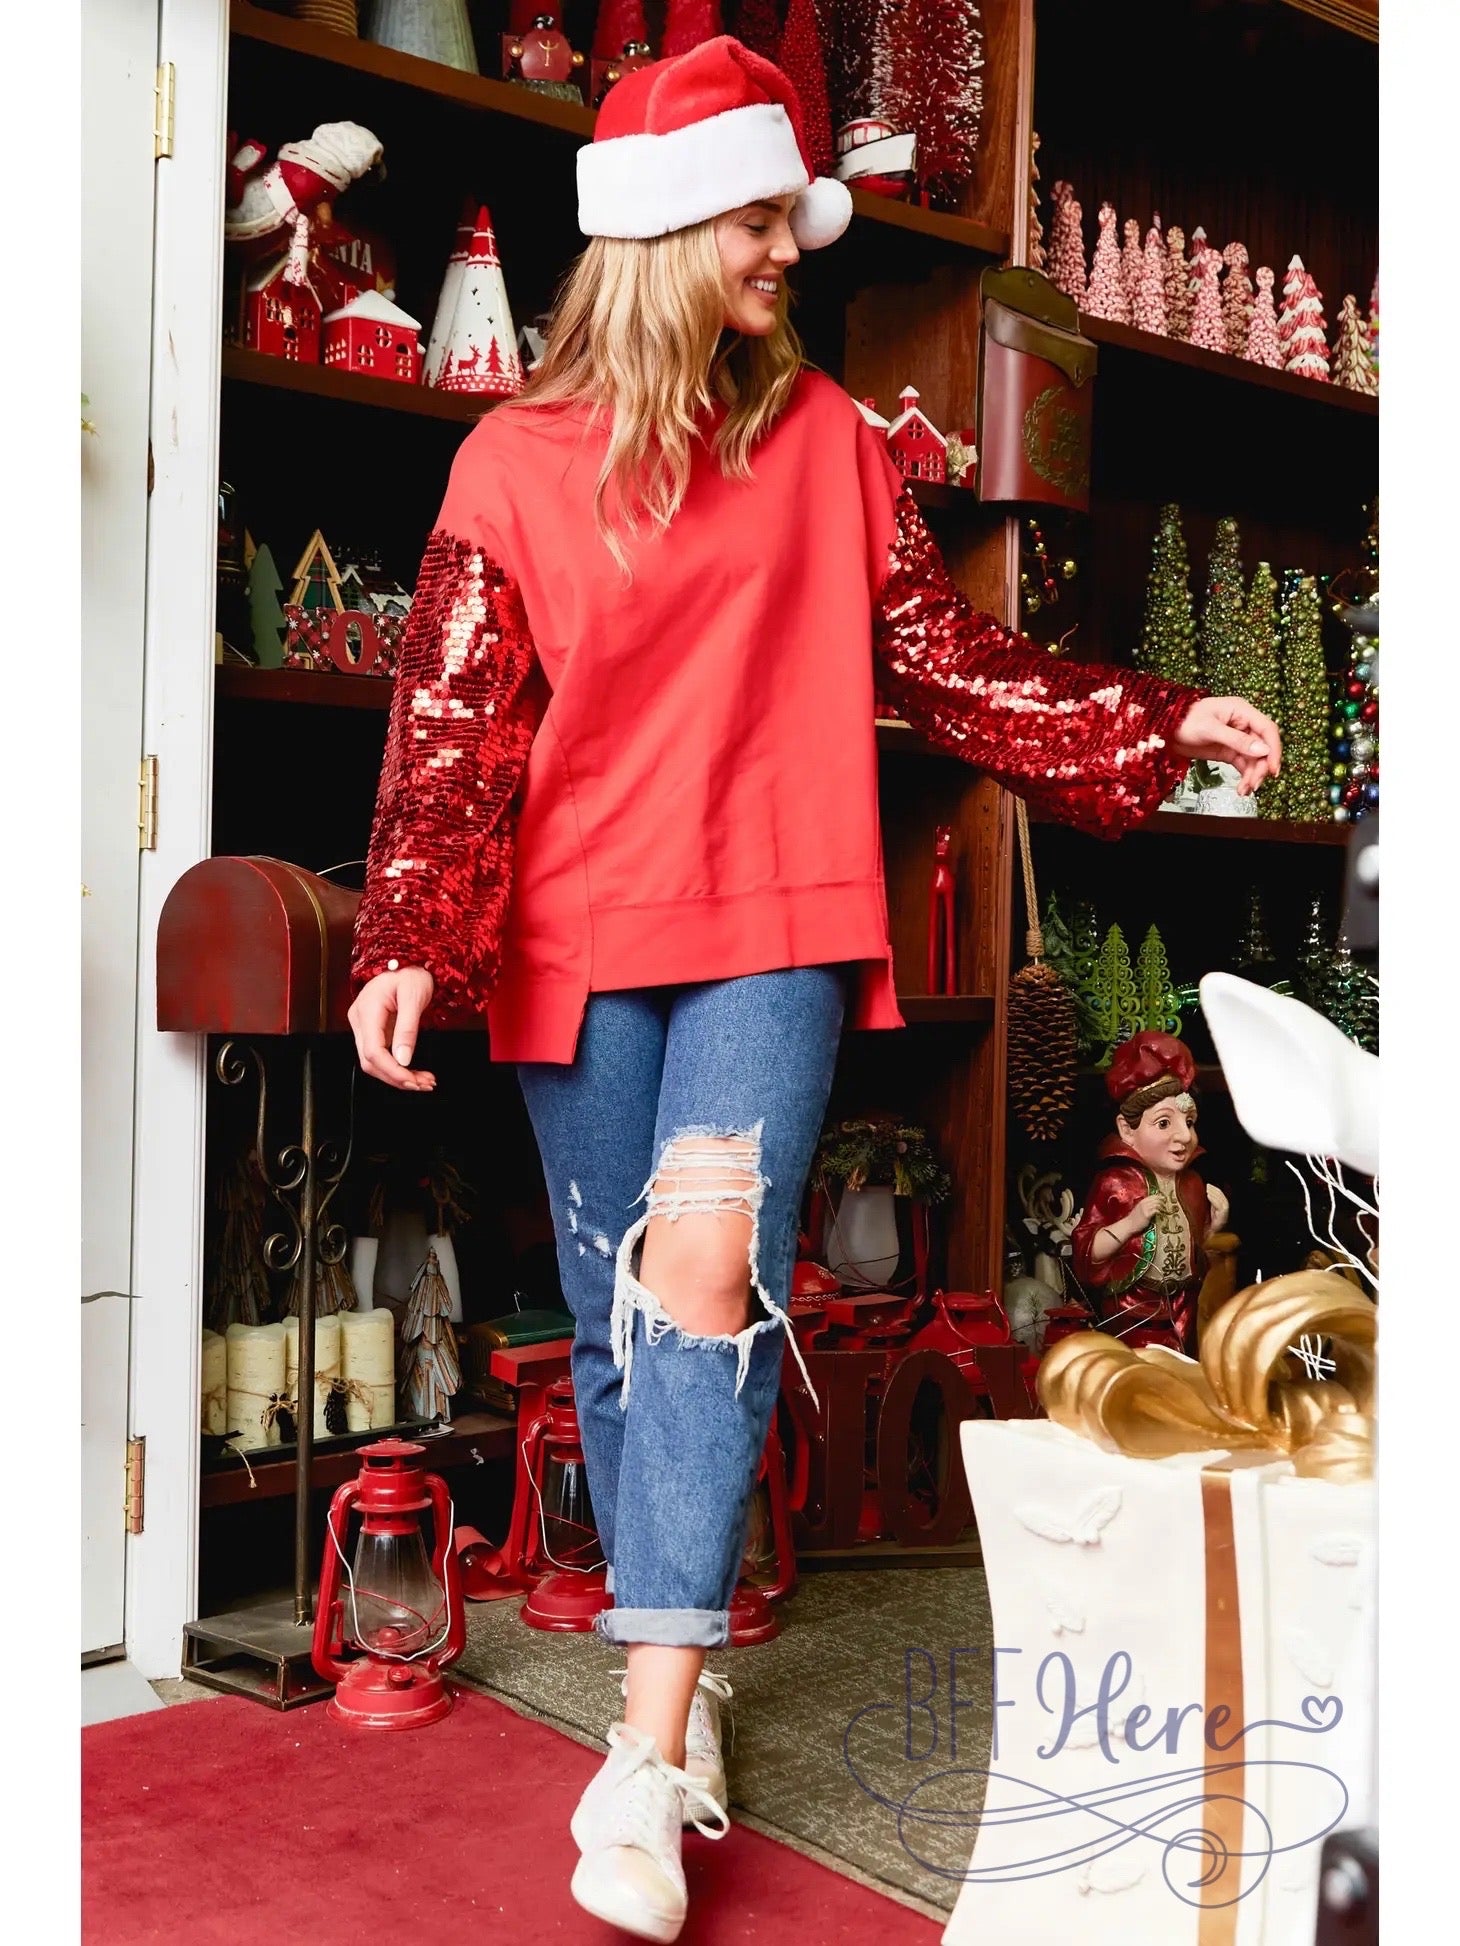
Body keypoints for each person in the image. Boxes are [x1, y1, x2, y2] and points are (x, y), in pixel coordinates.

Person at [345, 36, 1281, 1943]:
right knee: (620, 1335)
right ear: (674, 227)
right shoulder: (507, 464)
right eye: (766, 213)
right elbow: (454, 727)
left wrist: (1158, 719)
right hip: (573, 941)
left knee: (699, 1286)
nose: (793, 243)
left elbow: (954, 672)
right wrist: (407, 939)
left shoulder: (839, 448)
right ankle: (678, 1684)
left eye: (790, 213)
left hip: (773, 917)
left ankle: (644, 1741)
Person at [1069, 1030, 1232, 1354]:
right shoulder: (1115, 1184)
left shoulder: (1192, 1184)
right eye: (1163, 1124)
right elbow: (1086, 1252)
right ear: (1127, 1130)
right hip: (1132, 1314)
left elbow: (1195, 1250)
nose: (1184, 1136)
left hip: (1184, 1310)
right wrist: (1130, 1223)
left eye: (1189, 1121)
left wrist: (1213, 1228)